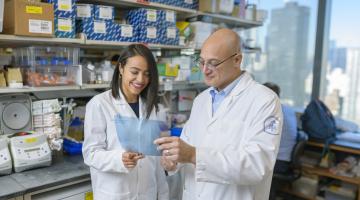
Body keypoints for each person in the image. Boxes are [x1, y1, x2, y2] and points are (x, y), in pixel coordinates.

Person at [154, 28, 283, 200]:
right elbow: (187, 145)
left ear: (237, 60)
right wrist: (173, 162)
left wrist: (193, 155)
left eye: (213, 63)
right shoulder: (201, 100)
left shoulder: (264, 101)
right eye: (201, 62)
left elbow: (257, 166)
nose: (205, 70)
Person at [83, 44, 169, 200]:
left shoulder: (151, 106)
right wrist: (119, 159)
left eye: (147, 74)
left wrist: (163, 195)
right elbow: (91, 153)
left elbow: (155, 159)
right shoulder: (100, 104)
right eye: (134, 72)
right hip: (115, 193)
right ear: (121, 68)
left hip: (148, 193)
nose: (141, 79)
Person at [263, 82, 298, 174]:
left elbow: (264, 141)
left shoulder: (272, 113)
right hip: (285, 159)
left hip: (278, 162)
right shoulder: (288, 109)